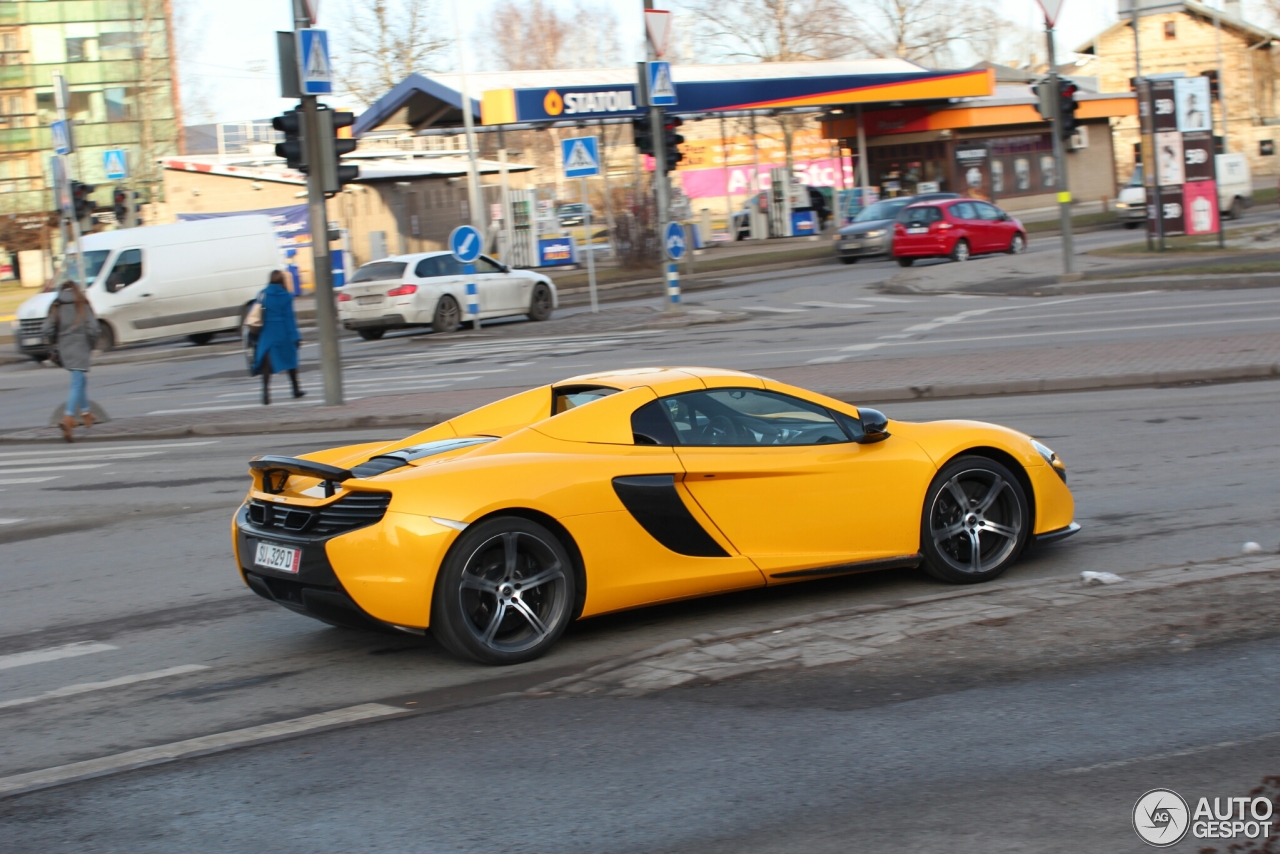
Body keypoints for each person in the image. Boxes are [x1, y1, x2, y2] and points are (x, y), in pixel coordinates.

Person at [41, 280, 100, 443]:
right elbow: (93, 329)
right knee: (76, 382)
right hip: (81, 347)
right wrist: (91, 345)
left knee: (80, 379)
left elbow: (46, 329)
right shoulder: (82, 304)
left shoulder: (56, 305)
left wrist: (56, 342)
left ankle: (86, 413)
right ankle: (68, 417)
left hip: (65, 349)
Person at [252, 270, 305, 405]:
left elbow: (254, 313)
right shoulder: (287, 296)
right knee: (290, 360)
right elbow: (290, 318)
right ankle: (295, 389)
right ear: (282, 281)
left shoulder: (262, 294)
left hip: (268, 331)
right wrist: (296, 337)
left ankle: (265, 392)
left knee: (266, 363)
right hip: (283, 331)